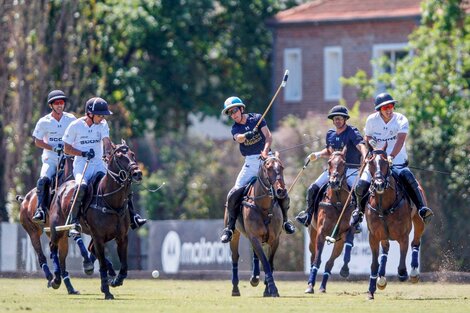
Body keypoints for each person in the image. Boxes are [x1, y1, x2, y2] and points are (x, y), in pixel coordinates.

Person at [63, 97, 146, 236]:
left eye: (103, 116)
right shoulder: (75, 126)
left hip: (99, 164)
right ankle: (74, 221)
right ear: (89, 113)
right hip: (82, 164)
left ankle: (133, 216)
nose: (102, 118)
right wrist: (82, 153)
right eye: (100, 115)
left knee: (120, 183)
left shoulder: (102, 124)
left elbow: (106, 141)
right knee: (81, 187)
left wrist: (108, 153)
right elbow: (66, 148)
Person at [349, 92, 434, 230]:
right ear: (379, 110)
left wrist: (391, 156)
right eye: (385, 107)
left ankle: (422, 209)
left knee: (409, 177)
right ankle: (358, 211)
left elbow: (400, 140)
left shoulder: (401, 119)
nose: (389, 109)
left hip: (397, 159)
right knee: (361, 184)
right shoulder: (371, 120)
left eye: (391, 106)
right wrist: (372, 145)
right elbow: (367, 137)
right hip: (376, 162)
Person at [219, 96, 296, 243]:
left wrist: (266, 151)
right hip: (251, 162)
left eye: (235, 111)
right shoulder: (235, 128)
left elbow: (268, 136)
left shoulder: (257, 119)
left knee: (280, 189)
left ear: (241, 109)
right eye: (230, 113)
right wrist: (247, 135)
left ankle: (286, 221)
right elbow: (239, 138)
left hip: (267, 158)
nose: (233, 115)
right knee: (233, 193)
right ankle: (229, 228)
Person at [295, 105, 368, 230]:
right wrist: (317, 154)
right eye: (335, 119)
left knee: (358, 191)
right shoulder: (330, 134)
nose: (337, 121)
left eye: (339, 118)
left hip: (350, 169)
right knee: (313, 188)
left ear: (345, 119)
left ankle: (357, 220)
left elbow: (360, 145)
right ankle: (308, 214)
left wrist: (365, 155)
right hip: (334, 171)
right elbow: (329, 151)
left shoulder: (352, 132)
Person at [32, 90, 77, 224]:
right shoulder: (43, 122)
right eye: (56, 103)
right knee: (44, 178)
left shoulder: (71, 119)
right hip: (50, 158)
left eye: (62, 102)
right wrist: (53, 147)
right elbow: (37, 141)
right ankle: (40, 209)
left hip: (69, 158)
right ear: (51, 105)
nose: (60, 105)